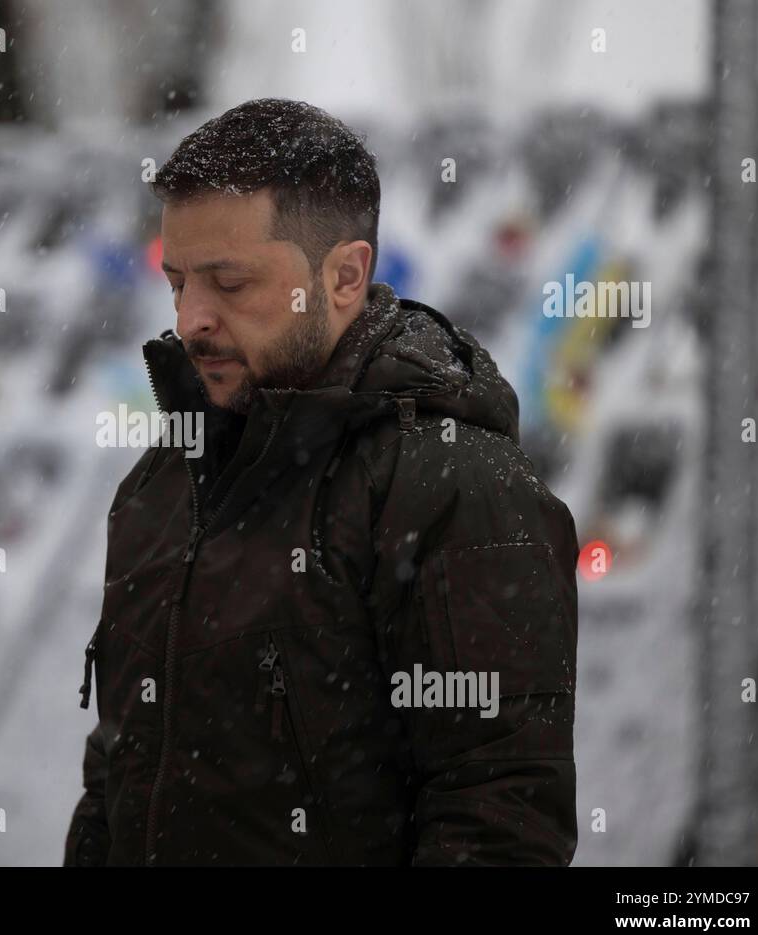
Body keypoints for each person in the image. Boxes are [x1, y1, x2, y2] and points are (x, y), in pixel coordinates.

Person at [64, 98, 580, 866]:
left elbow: (498, 817)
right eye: (177, 283)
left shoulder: (451, 486)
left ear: (344, 276)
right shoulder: (166, 480)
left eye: (229, 283)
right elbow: (116, 775)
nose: (191, 318)